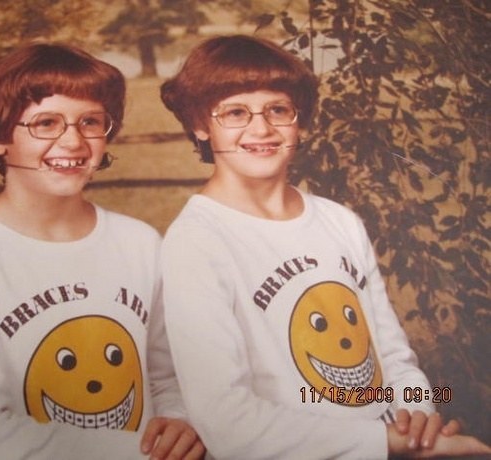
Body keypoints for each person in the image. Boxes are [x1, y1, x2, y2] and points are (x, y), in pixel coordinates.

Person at [159, 34, 491, 459]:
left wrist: (419, 420)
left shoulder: (340, 221)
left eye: (278, 109)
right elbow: (226, 419)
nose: (261, 128)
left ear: (299, 121)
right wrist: (388, 442)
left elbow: (394, 357)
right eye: (236, 112)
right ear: (200, 125)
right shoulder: (196, 241)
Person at [0, 43, 204, 460]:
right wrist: (144, 454)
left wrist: (179, 419)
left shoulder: (139, 243)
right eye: (46, 123)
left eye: (90, 122)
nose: (72, 141)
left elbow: (166, 377)